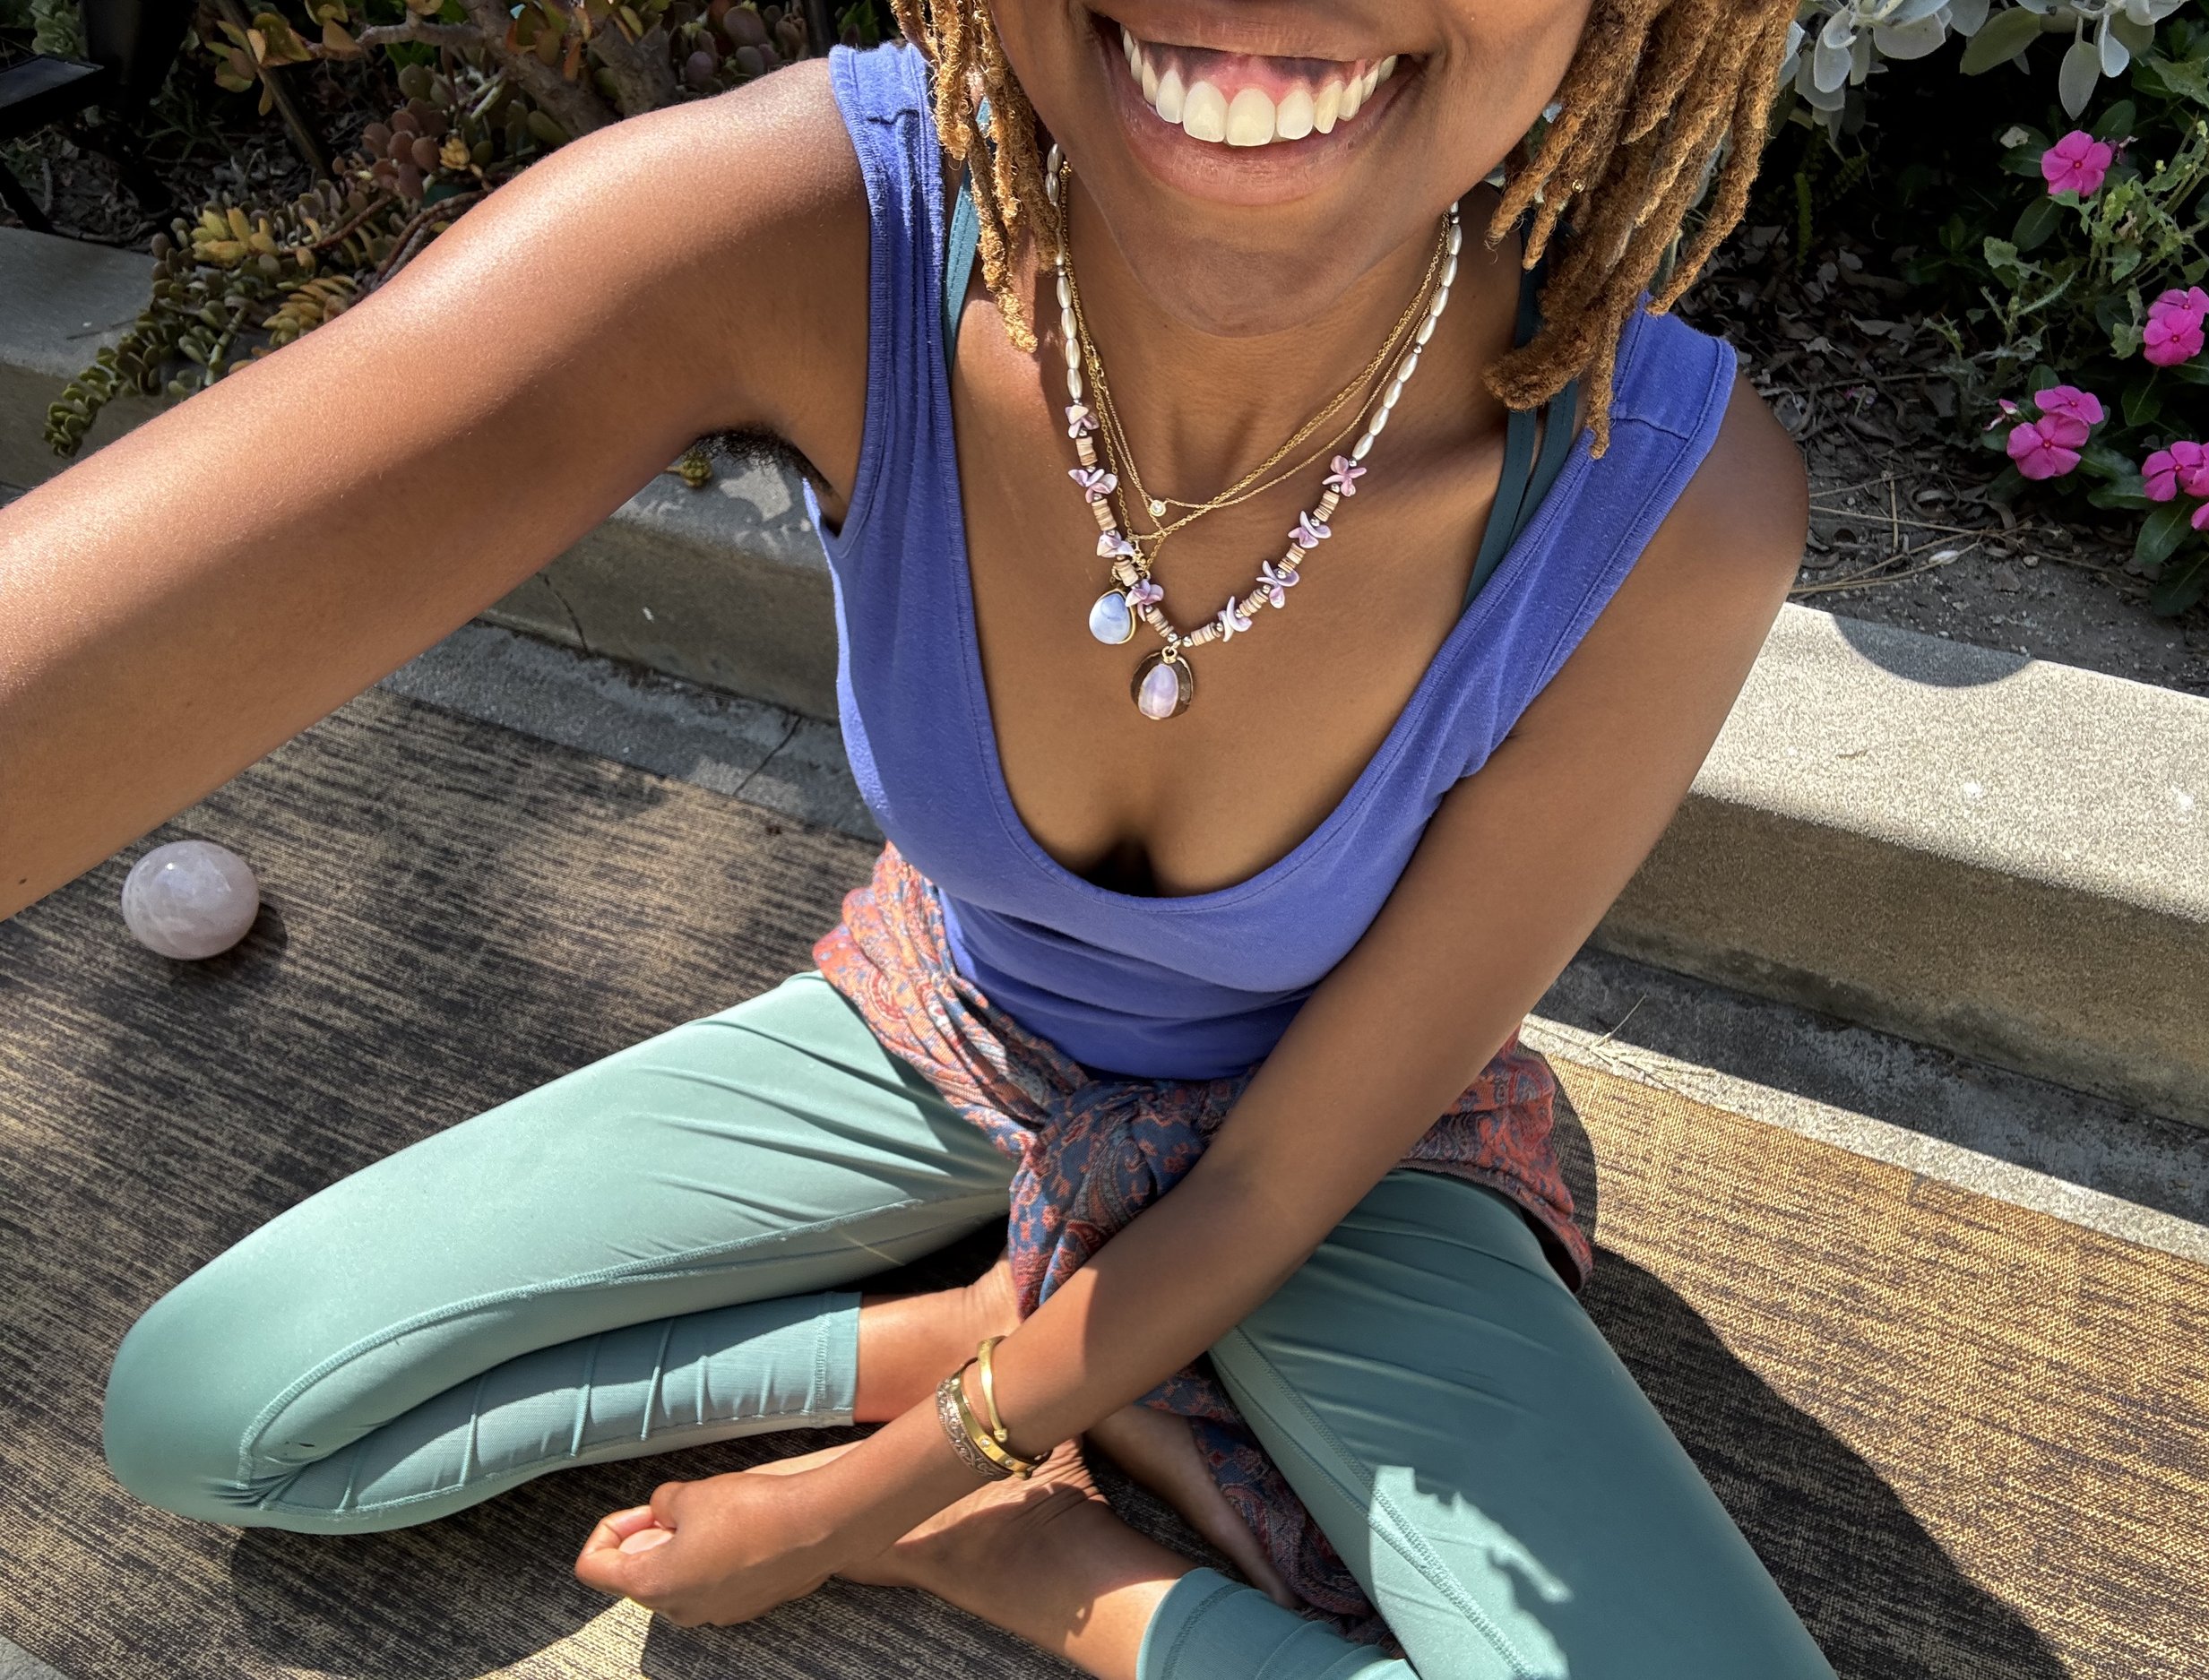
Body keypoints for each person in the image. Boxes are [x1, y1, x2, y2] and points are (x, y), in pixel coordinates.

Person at [0, 2, 1829, 1675]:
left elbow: (1273, 1185)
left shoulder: (1667, 502)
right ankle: (1012, 1327)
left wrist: (869, 1502)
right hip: (945, 1030)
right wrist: (963, 1365)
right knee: (214, 1409)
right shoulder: (824, 228)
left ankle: (1049, 1549)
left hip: (1343, 1151)